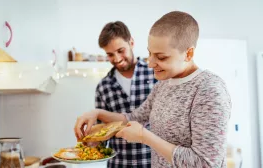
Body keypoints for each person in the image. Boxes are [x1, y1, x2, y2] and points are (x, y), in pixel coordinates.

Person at [75, 11, 231, 168]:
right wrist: (96, 113)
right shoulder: (163, 85)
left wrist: (145, 137)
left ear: (188, 54)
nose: (150, 63)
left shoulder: (209, 90)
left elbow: (207, 164)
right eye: (150, 53)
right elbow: (134, 117)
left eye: (161, 57)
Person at [85, 21, 157, 167]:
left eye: (120, 50)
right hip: (119, 163)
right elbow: (102, 133)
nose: (117, 59)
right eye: (110, 54)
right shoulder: (103, 87)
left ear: (131, 42)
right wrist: (92, 141)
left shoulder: (155, 74)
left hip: (153, 162)